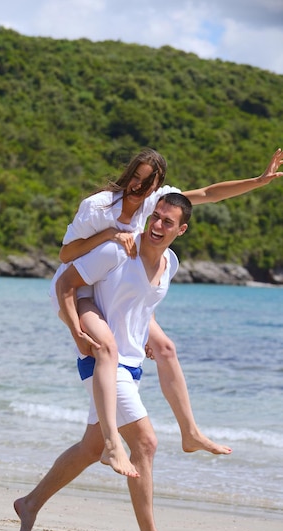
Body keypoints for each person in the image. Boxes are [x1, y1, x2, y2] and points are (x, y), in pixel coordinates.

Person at [52, 147, 283, 477]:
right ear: (129, 173)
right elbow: (65, 255)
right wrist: (110, 235)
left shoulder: (152, 203)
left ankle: (190, 433)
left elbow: (208, 193)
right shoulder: (99, 206)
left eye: (149, 183)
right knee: (107, 350)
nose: (139, 187)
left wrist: (258, 181)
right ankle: (112, 445)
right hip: (77, 289)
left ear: (158, 184)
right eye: (137, 177)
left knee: (165, 348)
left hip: (112, 289)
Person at [15, 192, 195, 531]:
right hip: (102, 361)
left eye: (167, 221)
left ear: (182, 229)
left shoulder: (169, 263)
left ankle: (29, 503)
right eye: (156, 216)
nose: (158, 225)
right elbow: (66, 281)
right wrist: (76, 331)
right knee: (145, 442)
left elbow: (140, 307)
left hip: (131, 362)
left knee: (90, 448)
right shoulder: (119, 250)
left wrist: (146, 336)